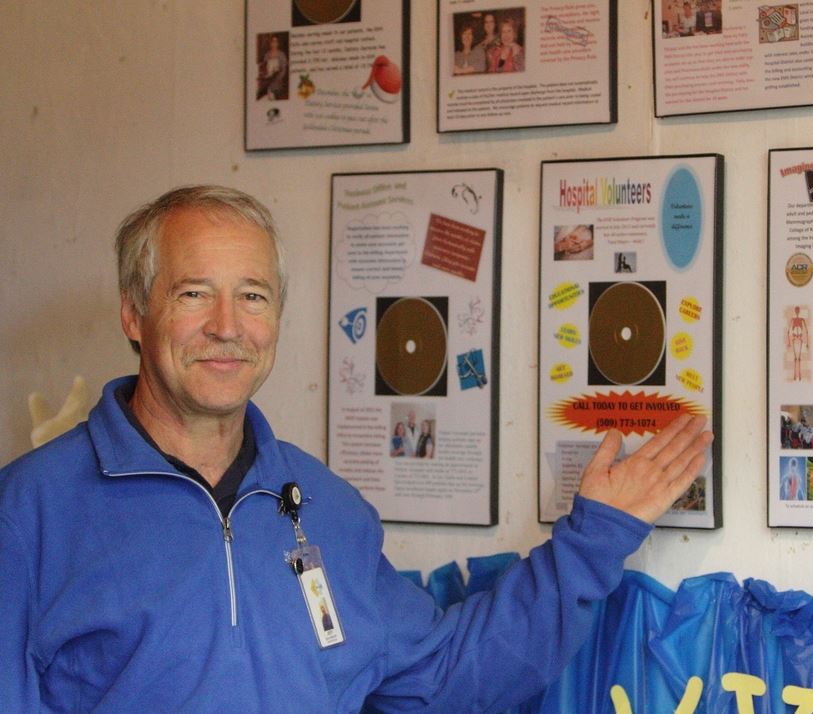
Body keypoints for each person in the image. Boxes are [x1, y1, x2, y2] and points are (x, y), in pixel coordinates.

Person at [0, 185, 713, 711]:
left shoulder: (328, 513)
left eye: (252, 296)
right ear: (134, 311)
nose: (228, 326)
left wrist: (593, 541)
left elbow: (440, 679)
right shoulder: (28, 513)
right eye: (193, 294)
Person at [256, 34, 288, 100]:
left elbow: (283, 70)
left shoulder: (281, 55)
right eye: (272, 42)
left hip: (278, 83)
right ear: (270, 43)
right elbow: (264, 69)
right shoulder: (267, 55)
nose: (274, 44)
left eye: (275, 42)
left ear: (278, 43)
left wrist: (277, 78)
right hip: (267, 82)